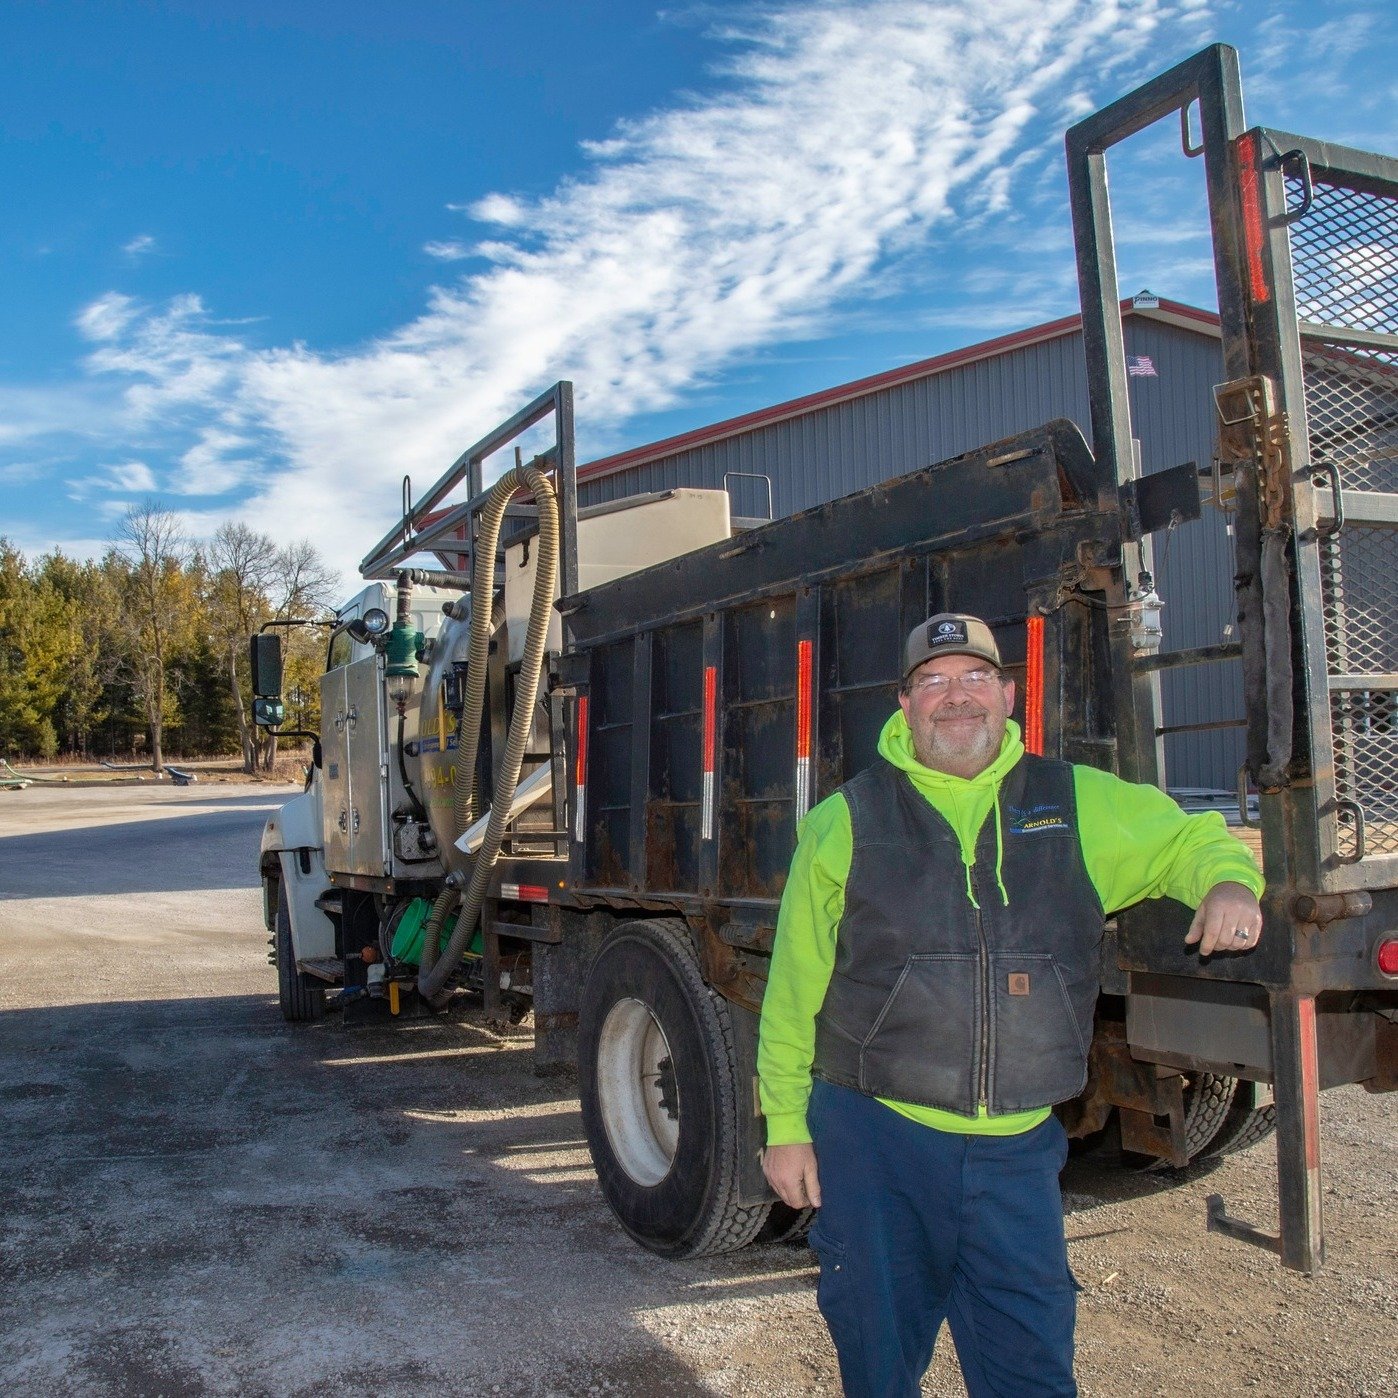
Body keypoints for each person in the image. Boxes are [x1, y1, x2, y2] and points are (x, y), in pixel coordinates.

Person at [757, 612, 1264, 1398]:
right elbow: (793, 992)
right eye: (933, 682)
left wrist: (1230, 882)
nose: (955, 698)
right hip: (876, 1140)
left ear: (1006, 692)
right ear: (903, 703)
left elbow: (1188, 839)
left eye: (973, 678)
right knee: (877, 1362)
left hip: (1018, 1149)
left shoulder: (1076, 802)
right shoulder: (845, 821)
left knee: (1031, 1367)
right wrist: (785, 1128)